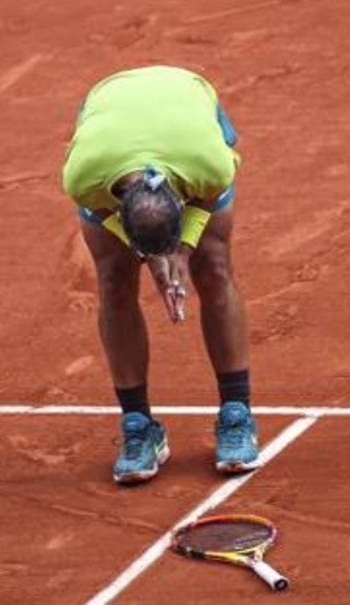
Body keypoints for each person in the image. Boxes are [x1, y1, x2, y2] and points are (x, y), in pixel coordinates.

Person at [62, 66, 259, 484]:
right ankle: (138, 425)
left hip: (185, 100)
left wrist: (183, 250)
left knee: (213, 264)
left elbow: (206, 201)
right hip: (109, 109)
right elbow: (106, 221)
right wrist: (151, 257)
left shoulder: (208, 164)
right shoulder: (85, 178)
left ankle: (236, 413)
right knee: (114, 278)